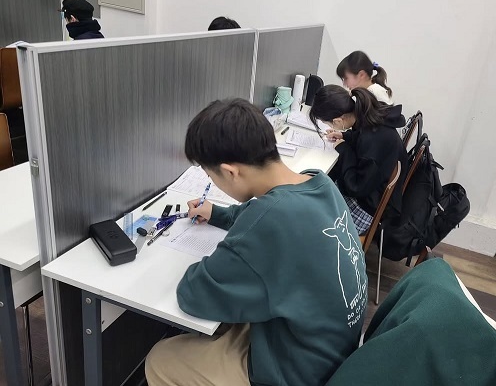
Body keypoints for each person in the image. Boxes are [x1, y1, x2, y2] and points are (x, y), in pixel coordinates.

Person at [145, 99, 367, 386]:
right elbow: (263, 212)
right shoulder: (319, 183)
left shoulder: (268, 222)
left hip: (296, 371)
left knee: (161, 360)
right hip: (331, 350)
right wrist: (218, 213)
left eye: (210, 176)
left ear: (230, 172)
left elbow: (193, 295)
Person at [309, 85, 407, 235]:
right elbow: (362, 136)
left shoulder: (373, 141)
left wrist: (344, 150)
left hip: (367, 206)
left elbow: (355, 187)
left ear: (338, 120)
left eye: (328, 123)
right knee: (323, 185)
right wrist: (345, 136)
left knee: (311, 212)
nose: (329, 126)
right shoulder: (369, 115)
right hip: (371, 189)